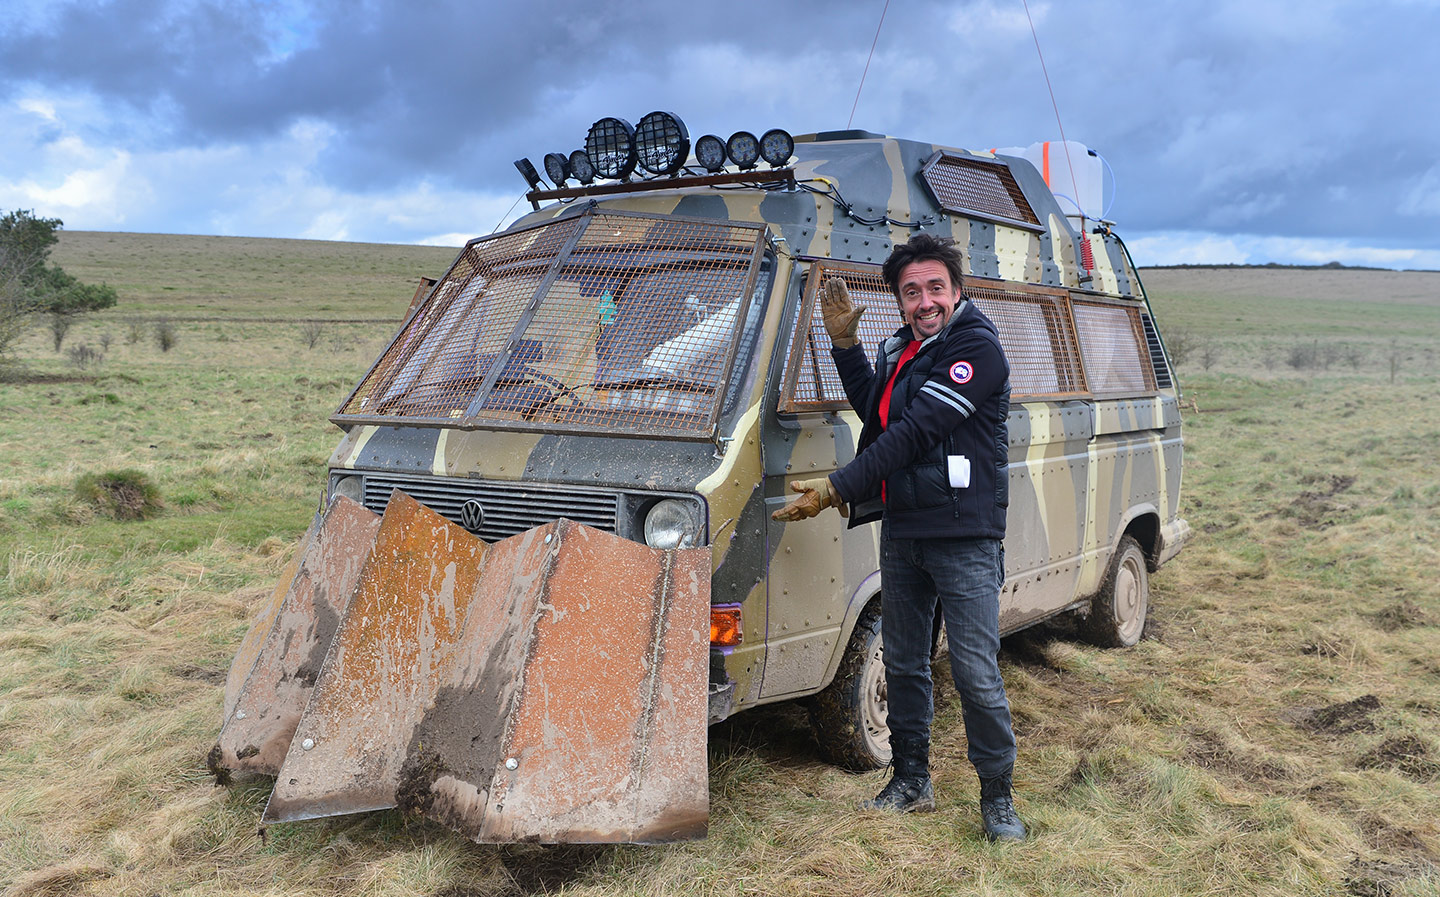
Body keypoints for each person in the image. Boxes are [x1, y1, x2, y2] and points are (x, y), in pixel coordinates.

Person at [771, 233, 1025, 841]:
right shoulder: (904, 350)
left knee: (974, 671)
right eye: (911, 292)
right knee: (906, 662)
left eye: (935, 287)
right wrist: (845, 345)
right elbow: (875, 409)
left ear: (957, 290)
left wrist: (837, 487)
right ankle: (912, 779)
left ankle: (998, 799)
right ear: (900, 300)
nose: (924, 301)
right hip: (905, 529)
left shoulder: (976, 349)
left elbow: (915, 433)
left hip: (964, 535)